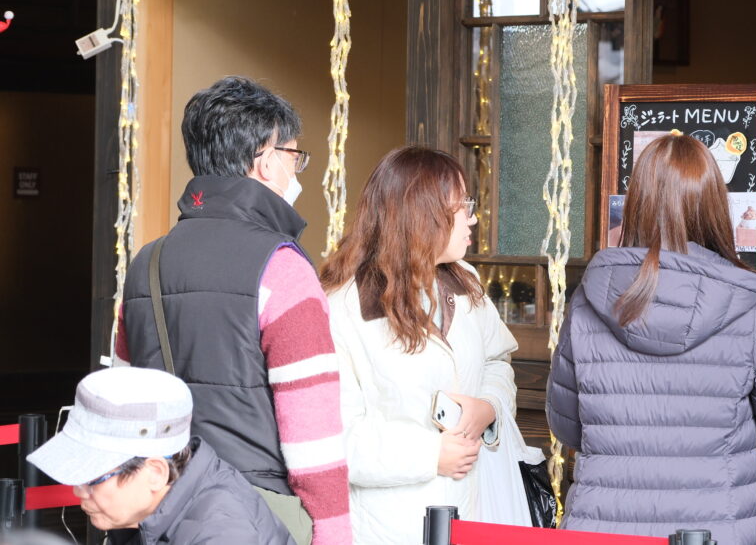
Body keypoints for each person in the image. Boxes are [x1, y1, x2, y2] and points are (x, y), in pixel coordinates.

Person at [546, 132, 756, 543]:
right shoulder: (749, 303)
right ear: (714, 206)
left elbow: (566, 426)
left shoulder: (589, 299)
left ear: (636, 202)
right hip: (717, 529)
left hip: (602, 528)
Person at [116, 77, 349, 545]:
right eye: (294, 157)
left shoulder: (146, 262)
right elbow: (313, 433)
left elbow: (123, 402)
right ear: (266, 161)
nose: (297, 171)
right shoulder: (282, 267)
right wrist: (334, 534)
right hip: (253, 517)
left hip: (162, 510)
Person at [321, 146, 518, 545]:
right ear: (422, 214)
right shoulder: (344, 308)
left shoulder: (465, 282)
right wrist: (431, 455)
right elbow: (335, 439)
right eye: (463, 206)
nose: (473, 218)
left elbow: (498, 360)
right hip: (389, 528)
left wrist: (488, 407)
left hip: (470, 514)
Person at [26, 367, 294, 545]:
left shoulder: (221, 534)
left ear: (155, 472)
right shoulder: (152, 511)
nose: (78, 491)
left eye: (93, 477)